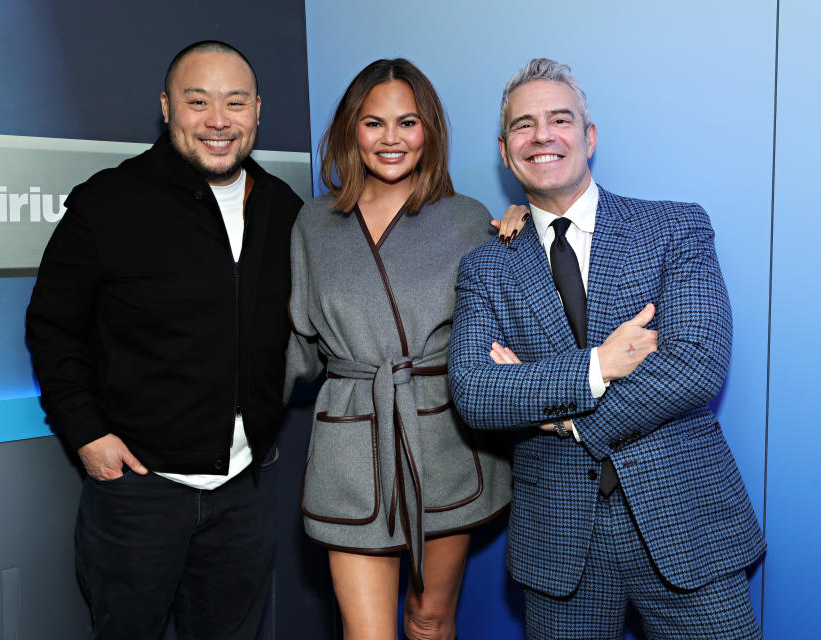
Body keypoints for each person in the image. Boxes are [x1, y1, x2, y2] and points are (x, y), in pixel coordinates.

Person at [448, 58, 765, 639]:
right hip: (559, 546)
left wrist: (565, 418)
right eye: (524, 125)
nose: (543, 135)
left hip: (686, 526)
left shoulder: (674, 228)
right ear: (504, 149)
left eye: (560, 119)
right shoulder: (486, 266)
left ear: (588, 138)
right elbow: (475, 393)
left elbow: (695, 363)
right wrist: (598, 367)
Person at [25, 41, 302, 640]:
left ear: (257, 110)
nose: (217, 121)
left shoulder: (284, 208)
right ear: (166, 107)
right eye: (197, 101)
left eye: (234, 103)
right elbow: (52, 325)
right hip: (140, 493)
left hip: (245, 492)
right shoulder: (109, 201)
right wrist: (88, 435)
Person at [285, 58, 513, 640]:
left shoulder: (468, 220)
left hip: (441, 440)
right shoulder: (313, 223)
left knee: (430, 621)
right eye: (373, 123)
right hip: (350, 445)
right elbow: (299, 346)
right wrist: (232, 409)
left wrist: (525, 238)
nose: (391, 139)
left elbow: (506, 327)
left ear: (429, 130)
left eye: (408, 122)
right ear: (349, 130)